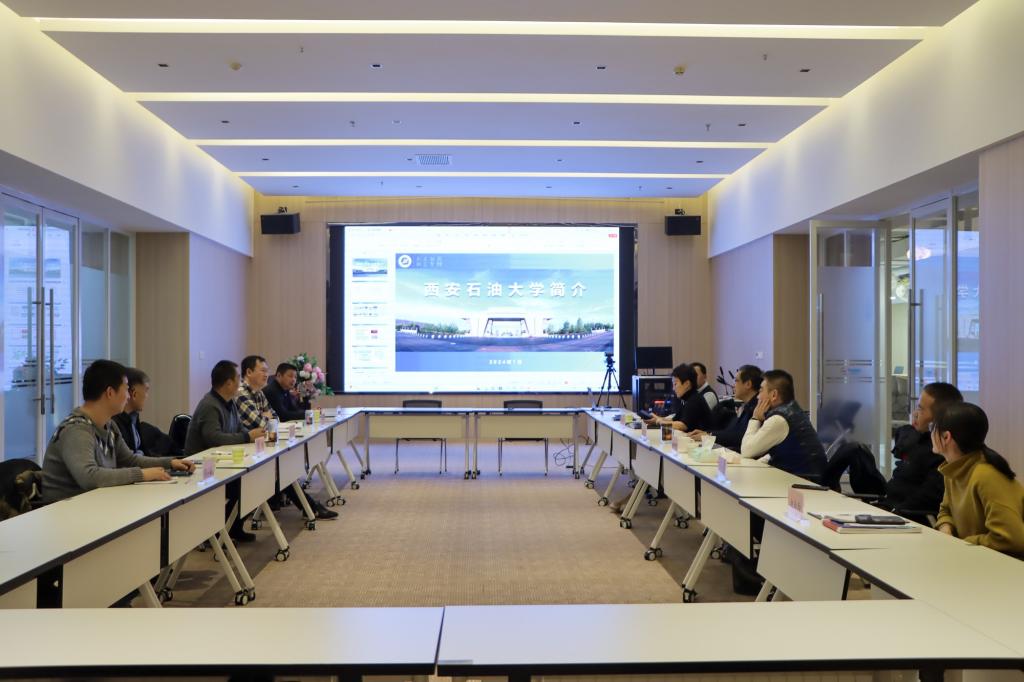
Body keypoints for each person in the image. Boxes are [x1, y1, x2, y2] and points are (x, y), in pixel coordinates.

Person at [41, 360, 193, 504]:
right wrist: (142, 474)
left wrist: (170, 463)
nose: (128, 396)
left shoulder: (109, 425)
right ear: (110, 392)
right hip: (67, 511)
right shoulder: (76, 429)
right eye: (126, 389)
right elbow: (89, 477)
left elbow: (130, 460)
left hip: (95, 505)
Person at [236, 355, 336, 520]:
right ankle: (309, 507)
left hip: (261, 443)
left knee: (284, 469)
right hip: (244, 448)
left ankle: (309, 507)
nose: (266, 375)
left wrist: (267, 418)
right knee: (282, 470)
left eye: (267, 371)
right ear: (248, 372)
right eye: (263, 371)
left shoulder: (259, 392)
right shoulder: (242, 393)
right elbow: (264, 422)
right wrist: (267, 418)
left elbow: (275, 418)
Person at [184, 360, 264, 542]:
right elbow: (214, 439)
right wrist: (247, 437)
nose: (240, 382)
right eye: (238, 378)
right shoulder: (209, 405)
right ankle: (218, 532)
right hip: (203, 467)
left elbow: (239, 427)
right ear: (228, 383)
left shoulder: (230, 402)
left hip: (223, 462)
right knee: (242, 487)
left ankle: (232, 528)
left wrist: (252, 435)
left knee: (252, 482)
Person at [932, 403, 1024, 557]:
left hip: (1004, 564)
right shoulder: (954, 469)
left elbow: (1011, 538)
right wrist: (946, 528)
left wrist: (965, 542)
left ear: (946, 437)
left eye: (933, 428)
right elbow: (946, 511)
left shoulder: (986, 475)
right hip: (975, 558)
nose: (931, 433)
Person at [740, 369, 826, 479]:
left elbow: (747, 451)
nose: (758, 396)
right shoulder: (792, 410)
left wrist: (755, 418)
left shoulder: (778, 420)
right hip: (807, 477)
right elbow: (780, 452)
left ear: (774, 395)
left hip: (805, 482)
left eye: (761, 390)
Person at [690, 365, 762, 450]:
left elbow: (739, 437)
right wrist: (707, 433)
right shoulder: (749, 405)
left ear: (748, 384)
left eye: (736, 381)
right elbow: (733, 431)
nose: (733, 385)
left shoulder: (757, 408)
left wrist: (709, 435)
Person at [112, 368, 180, 457]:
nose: (147, 396)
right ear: (134, 394)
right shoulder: (115, 425)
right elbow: (129, 460)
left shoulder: (133, 417)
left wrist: (169, 462)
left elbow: (143, 454)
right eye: (146, 390)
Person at [648, 363, 712, 433]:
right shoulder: (686, 399)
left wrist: (659, 421)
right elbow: (674, 420)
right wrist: (657, 419)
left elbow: (682, 425)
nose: (673, 388)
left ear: (687, 384)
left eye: (675, 384)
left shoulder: (694, 400)